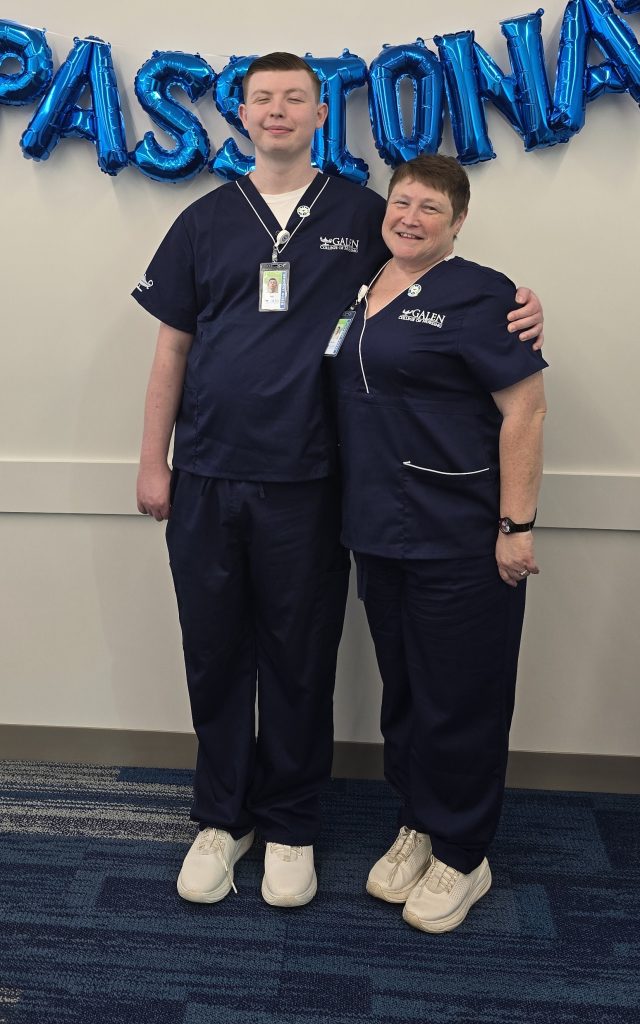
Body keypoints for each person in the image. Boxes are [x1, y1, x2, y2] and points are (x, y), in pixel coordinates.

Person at [132, 53, 544, 910]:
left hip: (311, 484)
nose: (276, 111)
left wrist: (521, 307)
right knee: (214, 655)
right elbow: (171, 345)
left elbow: (434, 281)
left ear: (322, 114)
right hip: (207, 474)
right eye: (261, 99)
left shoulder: (363, 215)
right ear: (239, 115)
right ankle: (222, 816)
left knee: (297, 660)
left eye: (294, 99)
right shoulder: (202, 222)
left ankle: (289, 823)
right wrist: (152, 460)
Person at [331, 153, 547, 932]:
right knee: (408, 694)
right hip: (380, 530)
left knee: (463, 698)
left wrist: (515, 526)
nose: (410, 216)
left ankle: (463, 852)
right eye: (401, 202)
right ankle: (418, 820)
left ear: (458, 222)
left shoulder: (485, 295)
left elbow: (525, 411)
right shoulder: (363, 287)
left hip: (460, 534)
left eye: (430, 207)